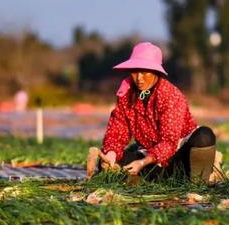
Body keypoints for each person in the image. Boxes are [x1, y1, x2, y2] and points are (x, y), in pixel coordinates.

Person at [86, 42, 218, 183]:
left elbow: (169, 142)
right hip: (149, 156)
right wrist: (111, 156)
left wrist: (143, 163)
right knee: (105, 165)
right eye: (135, 71)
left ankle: (200, 181)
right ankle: (144, 177)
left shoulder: (170, 95)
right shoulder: (126, 94)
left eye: (145, 71)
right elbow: (117, 131)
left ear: (156, 72)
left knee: (204, 136)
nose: (139, 78)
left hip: (178, 156)